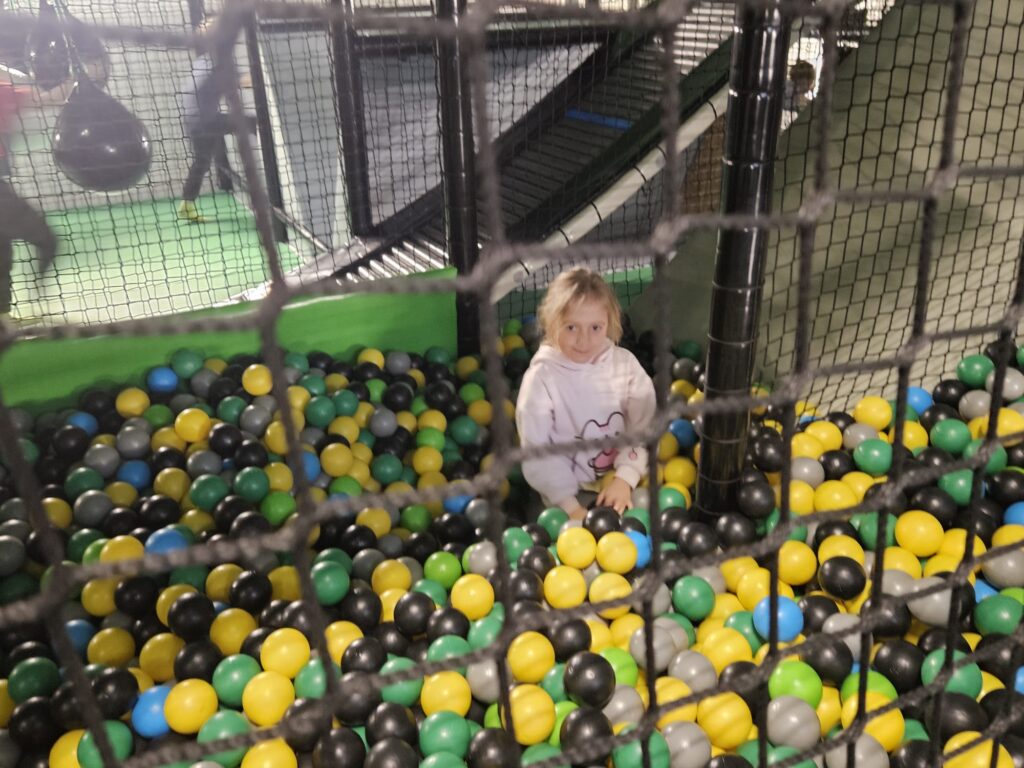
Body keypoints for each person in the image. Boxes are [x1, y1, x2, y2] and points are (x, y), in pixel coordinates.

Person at [516, 268, 656, 519]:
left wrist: (625, 478)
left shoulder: (624, 365)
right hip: (564, 491)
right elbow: (537, 451)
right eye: (571, 327)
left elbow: (646, 424)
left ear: (610, 323)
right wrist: (571, 507)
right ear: (552, 323)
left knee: (642, 521)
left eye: (595, 327)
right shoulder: (542, 379)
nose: (584, 340)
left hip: (621, 475)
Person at [177, 15, 255, 224]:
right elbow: (243, 81)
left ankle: (186, 205)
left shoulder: (205, 59)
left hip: (194, 120)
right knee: (253, 123)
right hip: (205, 120)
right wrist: (261, 74)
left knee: (201, 162)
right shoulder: (217, 59)